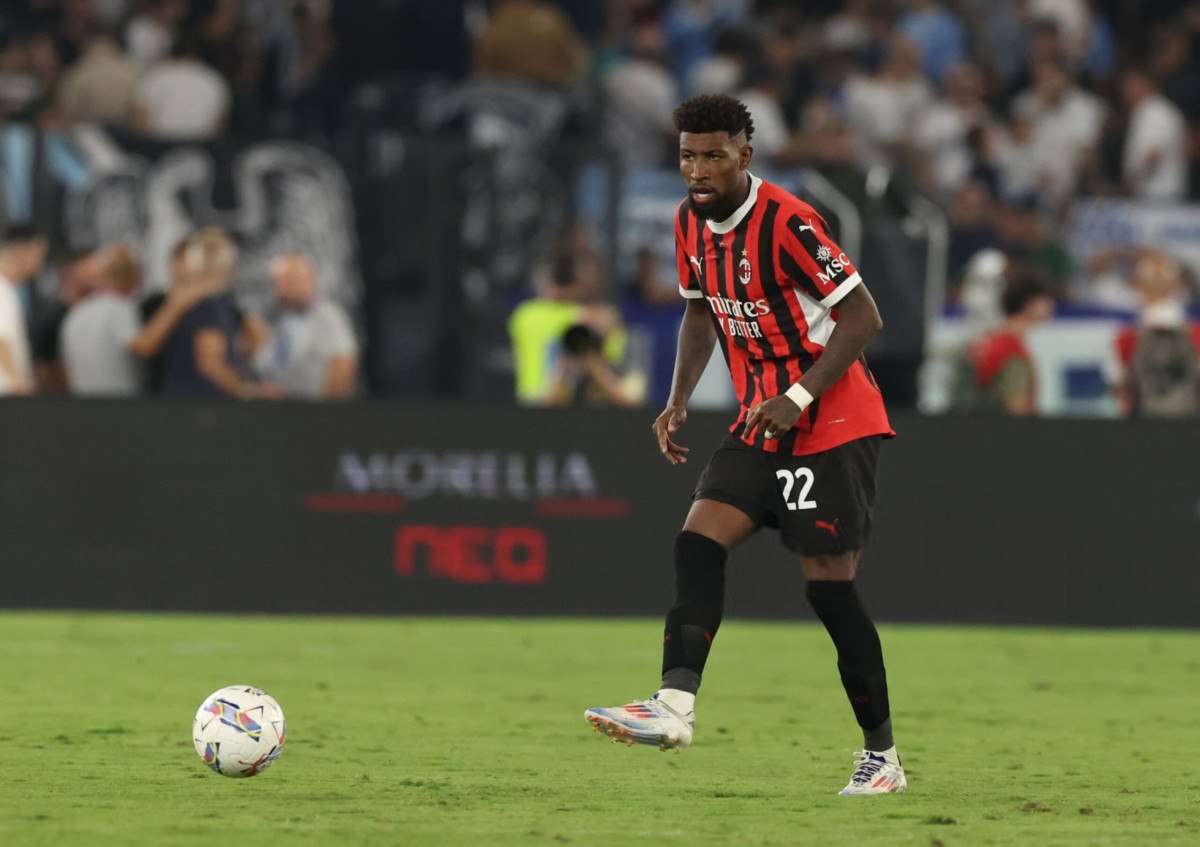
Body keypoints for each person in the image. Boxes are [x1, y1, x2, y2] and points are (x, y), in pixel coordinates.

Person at [584, 94, 904, 797]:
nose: (698, 169)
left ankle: (881, 756)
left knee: (829, 587)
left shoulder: (789, 221)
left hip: (832, 420)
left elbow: (863, 316)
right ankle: (673, 706)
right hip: (760, 421)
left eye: (713, 155)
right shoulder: (687, 221)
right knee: (698, 541)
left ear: (744, 155)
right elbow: (701, 311)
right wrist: (678, 397)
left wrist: (799, 396)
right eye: (687, 156)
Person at [159, 227, 275, 399]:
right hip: (200, 402)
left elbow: (240, 347)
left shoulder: (221, 303)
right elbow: (210, 364)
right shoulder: (207, 303)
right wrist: (249, 391)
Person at [252, 252, 359, 400]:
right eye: (279, 281)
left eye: (290, 280)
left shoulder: (329, 317)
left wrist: (330, 410)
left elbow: (343, 365)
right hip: (284, 407)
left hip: (312, 408)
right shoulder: (285, 320)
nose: (282, 287)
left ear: (311, 279)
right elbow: (268, 366)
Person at [1107, 252, 1200, 418]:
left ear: (1139, 288)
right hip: (1190, 425)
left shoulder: (1126, 338)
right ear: (1176, 288)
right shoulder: (1196, 335)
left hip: (1142, 426)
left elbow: (1117, 389)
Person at [957, 270, 1055, 415]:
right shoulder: (1013, 353)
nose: (1051, 305)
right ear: (1029, 302)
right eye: (1045, 299)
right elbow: (1017, 409)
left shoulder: (986, 342)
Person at [60, 242, 147, 396]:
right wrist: (177, 305)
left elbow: (65, 368)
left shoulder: (75, 313)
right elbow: (143, 347)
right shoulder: (118, 307)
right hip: (120, 402)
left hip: (82, 401)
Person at [0, 224, 49, 396]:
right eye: (39, 255)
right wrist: (16, 379)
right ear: (22, 252)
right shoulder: (2, 289)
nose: (41, 263)